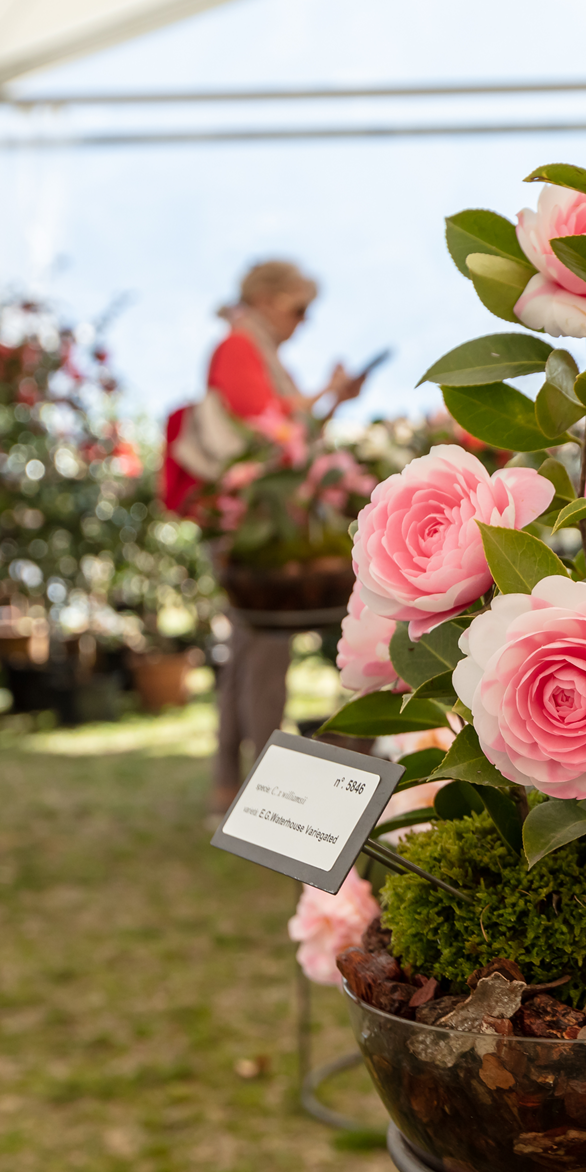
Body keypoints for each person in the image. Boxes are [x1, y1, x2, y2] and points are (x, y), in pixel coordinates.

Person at [198, 259, 368, 816]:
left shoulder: (254, 351)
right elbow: (270, 433)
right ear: (267, 300)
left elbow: (287, 433)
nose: (304, 322)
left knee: (249, 657)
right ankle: (261, 797)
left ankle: (236, 786)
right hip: (261, 532)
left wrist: (332, 398)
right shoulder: (239, 349)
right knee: (260, 656)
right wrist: (325, 395)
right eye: (299, 309)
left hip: (264, 528)